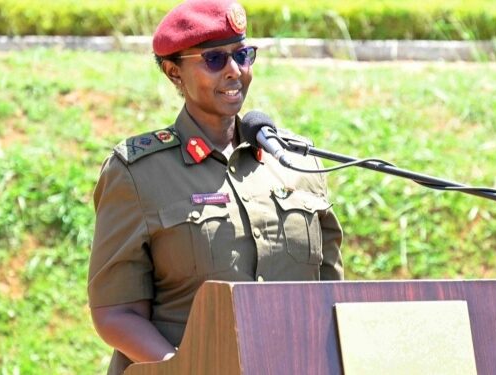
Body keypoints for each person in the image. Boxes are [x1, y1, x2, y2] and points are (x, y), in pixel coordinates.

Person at [87, 1, 344, 373]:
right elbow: (116, 312)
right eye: (214, 60)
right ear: (175, 73)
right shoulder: (138, 173)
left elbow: (331, 292)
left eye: (243, 55)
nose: (235, 71)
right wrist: (187, 367)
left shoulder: (295, 162)